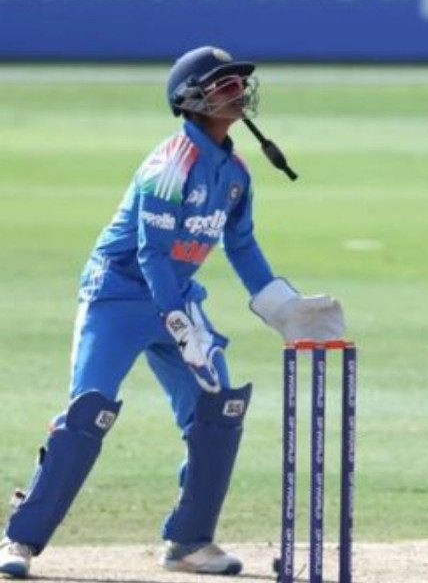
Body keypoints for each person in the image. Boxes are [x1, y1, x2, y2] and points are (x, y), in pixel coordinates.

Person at [0, 46, 345, 579]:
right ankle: (20, 538)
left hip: (176, 295)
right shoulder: (171, 164)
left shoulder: (235, 171)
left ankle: (189, 541)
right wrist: (179, 324)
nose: (237, 92)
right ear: (191, 98)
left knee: (219, 409)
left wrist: (282, 306)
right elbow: (151, 254)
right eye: (223, 85)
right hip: (117, 296)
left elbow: (242, 245)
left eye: (238, 84)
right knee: (89, 412)